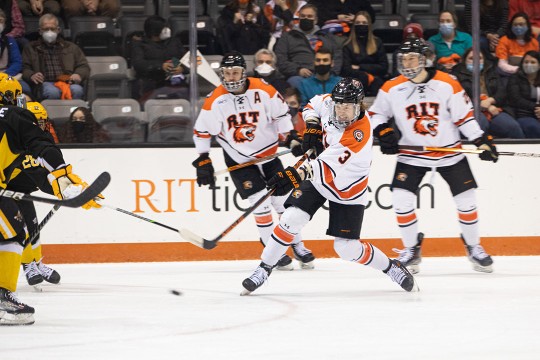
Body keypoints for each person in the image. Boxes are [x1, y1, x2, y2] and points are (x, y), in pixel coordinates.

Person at [241, 77, 418, 295]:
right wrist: (313, 126)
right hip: (318, 180)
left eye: (348, 107)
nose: (342, 112)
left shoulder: (359, 134)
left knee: (346, 248)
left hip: (348, 189)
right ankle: (264, 268)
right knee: (291, 218)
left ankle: (391, 267)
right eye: (339, 106)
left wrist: (292, 176)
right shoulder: (328, 102)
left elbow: (323, 168)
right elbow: (311, 105)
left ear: (360, 105)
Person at [369, 38, 497, 275]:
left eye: (412, 58)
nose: (407, 63)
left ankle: (474, 246)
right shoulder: (391, 87)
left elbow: (464, 117)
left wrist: (480, 139)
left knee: (467, 202)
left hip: (449, 153)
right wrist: (384, 130)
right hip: (412, 155)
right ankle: (411, 249)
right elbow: (375, 114)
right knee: (401, 200)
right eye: (403, 59)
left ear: (424, 59)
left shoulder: (447, 83)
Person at [192, 52, 315, 270]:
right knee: (259, 201)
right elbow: (201, 132)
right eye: (227, 73)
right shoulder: (215, 100)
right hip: (240, 160)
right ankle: (271, 249)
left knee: (283, 202)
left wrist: (291, 138)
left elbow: (281, 116)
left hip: (269, 155)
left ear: (243, 72)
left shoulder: (264, 89)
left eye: (235, 72)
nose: (231, 77)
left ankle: (297, 244)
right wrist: (203, 159)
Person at [0, 76, 102, 326]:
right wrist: (65, 181)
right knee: (12, 236)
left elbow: (28, 171)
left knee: (12, 231)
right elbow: (42, 149)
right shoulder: (13, 116)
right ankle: (2, 299)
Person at [7, 100, 61, 287]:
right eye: (36, 121)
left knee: (34, 229)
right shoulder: (19, 139)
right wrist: (56, 189)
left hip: (25, 191)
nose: (40, 126)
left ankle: (37, 263)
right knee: (19, 231)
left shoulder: (44, 139)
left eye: (42, 121)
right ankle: (27, 264)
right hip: (8, 192)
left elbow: (49, 170)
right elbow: (38, 175)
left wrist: (64, 187)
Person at [452, 47, 524, 138]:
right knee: (480, 124)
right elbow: (459, 98)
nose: (476, 61)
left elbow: (502, 92)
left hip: (494, 108)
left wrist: (490, 101)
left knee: (512, 127)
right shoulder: (456, 75)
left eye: (480, 58)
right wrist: (481, 105)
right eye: (471, 59)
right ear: (464, 61)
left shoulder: (491, 71)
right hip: (471, 110)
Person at [21, 13, 90, 100]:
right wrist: (31, 75)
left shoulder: (71, 47)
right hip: (44, 82)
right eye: (46, 29)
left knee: (77, 90)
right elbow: (25, 68)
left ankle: (74, 112)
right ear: (40, 31)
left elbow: (83, 65)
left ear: (58, 30)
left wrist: (78, 74)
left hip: (67, 80)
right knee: (52, 92)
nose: (49, 32)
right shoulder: (30, 48)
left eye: (52, 29)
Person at [274, 4, 343, 89]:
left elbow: (337, 55)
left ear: (316, 20)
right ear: (299, 18)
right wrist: (297, 70)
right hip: (300, 76)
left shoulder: (327, 36)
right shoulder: (287, 36)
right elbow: (280, 58)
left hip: (326, 74)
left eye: (310, 16)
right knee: (295, 82)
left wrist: (332, 72)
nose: (306, 18)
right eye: (303, 16)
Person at [131, 15, 188, 103]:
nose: (167, 30)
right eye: (164, 28)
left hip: (175, 81)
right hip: (150, 82)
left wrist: (182, 68)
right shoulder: (140, 44)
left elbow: (187, 59)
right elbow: (139, 64)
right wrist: (161, 66)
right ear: (154, 31)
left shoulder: (174, 41)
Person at [341, 11, 386, 96]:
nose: (361, 25)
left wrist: (359, 67)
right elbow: (346, 70)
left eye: (364, 22)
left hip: (376, 80)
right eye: (358, 22)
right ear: (354, 25)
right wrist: (367, 73)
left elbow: (383, 67)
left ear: (369, 25)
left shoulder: (377, 42)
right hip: (356, 82)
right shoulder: (347, 45)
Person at [507, 50, 540, 138]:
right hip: (523, 114)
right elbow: (516, 99)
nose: (529, 65)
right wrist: (536, 107)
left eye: (533, 62)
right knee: (534, 128)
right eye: (526, 62)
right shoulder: (515, 78)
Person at [309, 0, 376, 28]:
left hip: (354, 35)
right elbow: (314, 13)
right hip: (327, 35)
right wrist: (337, 17)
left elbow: (372, 17)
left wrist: (356, 18)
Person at [0, 9, 22, 78]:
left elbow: (17, 63)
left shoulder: (10, 41)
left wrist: (5, 75)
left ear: (4, 24)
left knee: (24, 87)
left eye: (0, 21)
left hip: (7, 75)